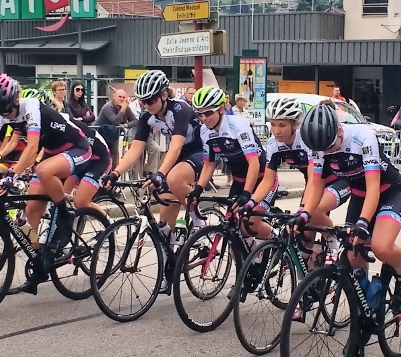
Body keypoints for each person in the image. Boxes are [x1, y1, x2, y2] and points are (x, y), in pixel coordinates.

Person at [0, 75, 105, 294]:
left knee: (42, 170)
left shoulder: (31, 107)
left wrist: (11, 175)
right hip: (53, 153)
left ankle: (63, 214)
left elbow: (32, 149)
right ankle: (41, 262)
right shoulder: (4, 116)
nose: (4, 116)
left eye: (5, 110)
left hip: (78, 148)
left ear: (14, 100)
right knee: (31, 211)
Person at [293, 102, 401, 309]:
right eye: (321, 150)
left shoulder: (362, 137)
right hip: (359, 195)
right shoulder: (319, 147)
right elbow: (315, 184)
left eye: (330, 147)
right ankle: (366, 305)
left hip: (389, 192)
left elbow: (373, 188)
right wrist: (304, 213)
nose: (326, 153)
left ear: (339, 130)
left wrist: (364, 223)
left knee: (380, 247)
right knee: (352, 253)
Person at [100, 70, 206, 293]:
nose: (146, 104)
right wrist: (115, 173)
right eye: (142, 100)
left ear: (164, 96)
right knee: (164, 225)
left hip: (201, 153)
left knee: (175, 179)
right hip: (178, 157)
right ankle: (171, 271)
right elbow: (136, 149)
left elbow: (176, 145)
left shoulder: (181, 109)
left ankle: (199, 223)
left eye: (150, 100)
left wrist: (160, 174)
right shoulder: (147, 116)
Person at [259, 98, 347, 265]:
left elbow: (314, 178)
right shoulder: (273, 144)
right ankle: (310, 279)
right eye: (273, 124)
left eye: (282, 125)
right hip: (313, 184)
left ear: (295, 124)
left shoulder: (306, 139)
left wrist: (303, 210)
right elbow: (267, 180)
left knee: (313, 213)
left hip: (336, 181)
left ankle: (332, 239)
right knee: (305, 239)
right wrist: (250, 202)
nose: (276, 130)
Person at [190, 86, 276, 246]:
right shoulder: (204, 131)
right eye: (199, 114)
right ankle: (247, 264)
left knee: (248, 223)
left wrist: (246, 194)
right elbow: (209, 164)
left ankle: (277, 238)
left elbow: (254, 163)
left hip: (262, 178)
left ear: (221, 109)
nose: (204, 118)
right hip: (239, 179)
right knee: (233, 231)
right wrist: (198, 189)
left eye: (208, 112)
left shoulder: (239, 125)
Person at [97, 88, 137, 167]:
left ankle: (112, 177)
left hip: (113, 136)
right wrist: (123, 109)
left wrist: (126, 125)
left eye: (123, 97)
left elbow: (136, 121)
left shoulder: (125, 107)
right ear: (114, 96)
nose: (121, 99)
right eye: (119, 97)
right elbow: (115, 121)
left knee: (114, 157)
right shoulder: (108, 107)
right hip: (101, 135)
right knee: (104, 158)